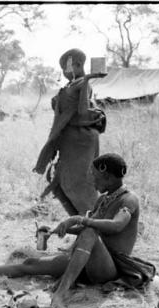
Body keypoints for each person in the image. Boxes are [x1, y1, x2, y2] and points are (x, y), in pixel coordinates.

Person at [0, 153, 155, 308]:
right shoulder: (103, 199)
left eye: (95, 176)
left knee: (89, 232)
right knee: (30, 264)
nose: (92, 180)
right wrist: (57, 229)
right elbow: (87, 228)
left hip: (108, 268)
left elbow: (116, 226)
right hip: (87, 258)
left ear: (108, 177)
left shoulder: (129, 199)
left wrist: (80, 220)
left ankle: (60, 294)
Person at [34, 48, 106, 216]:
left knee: (79, 183)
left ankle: (97, 222)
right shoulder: (72, 84)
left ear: (78, 64)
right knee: (61, 184)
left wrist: (87, 80)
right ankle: (83, 222)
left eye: (65, 67)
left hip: (81, 141)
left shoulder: (83, 84)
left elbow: (82, 111)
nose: (64, 72)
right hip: (70, 141)